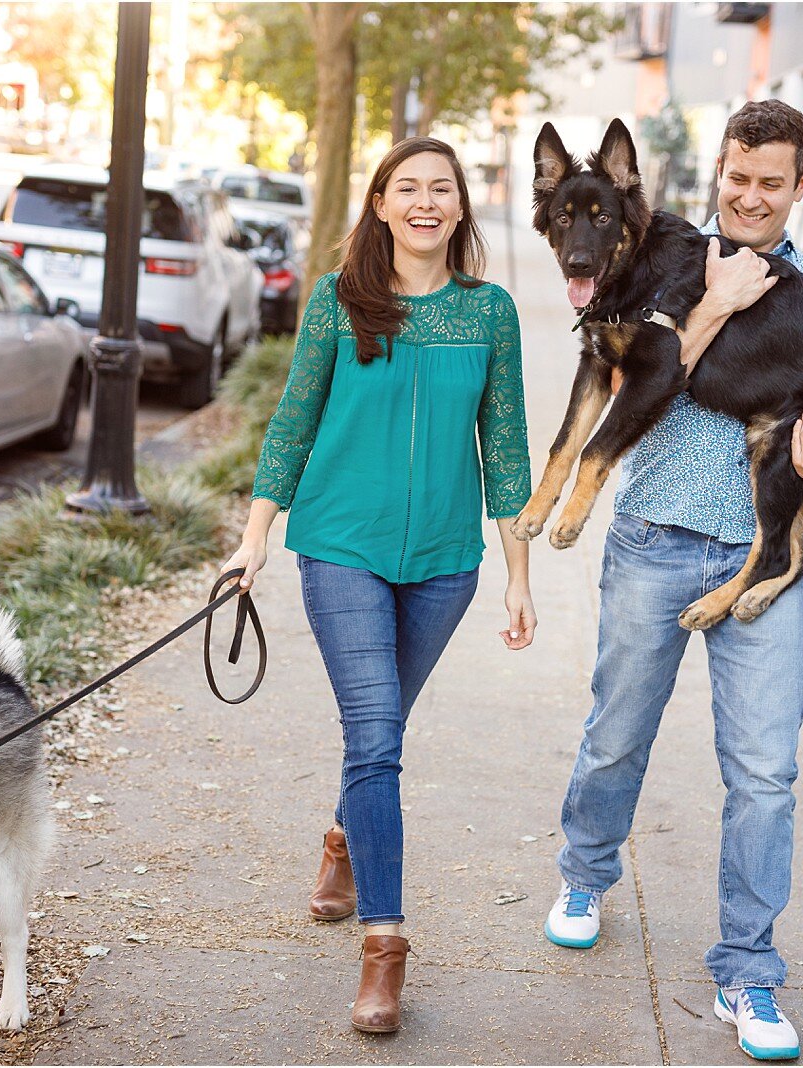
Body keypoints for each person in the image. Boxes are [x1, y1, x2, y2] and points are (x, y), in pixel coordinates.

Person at [543, 100, 803, 1063]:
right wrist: (717, 302)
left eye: (773, 182)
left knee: (766, 775)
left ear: (802, 186)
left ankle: (750, 973)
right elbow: (642, 379)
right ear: (717, 174)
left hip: (758, 562)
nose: (752, 196)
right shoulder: (659, 267)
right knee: (615, 738)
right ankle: (585, 875)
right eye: (739, 177)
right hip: (654, 537)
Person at [223, 136, 535, 1035]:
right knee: (375, 731)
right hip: (342, 548)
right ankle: (385, 946)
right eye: (409, 188)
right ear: (381, 204)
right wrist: (255, 543)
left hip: (445, 563)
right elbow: (293, 421)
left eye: (443, 189)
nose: (427, 202)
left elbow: (506, 448)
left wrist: (519, 576)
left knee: (380, 730)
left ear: (462, 207)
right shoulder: (339, 300)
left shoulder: (490, 313)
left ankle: (341, 842)